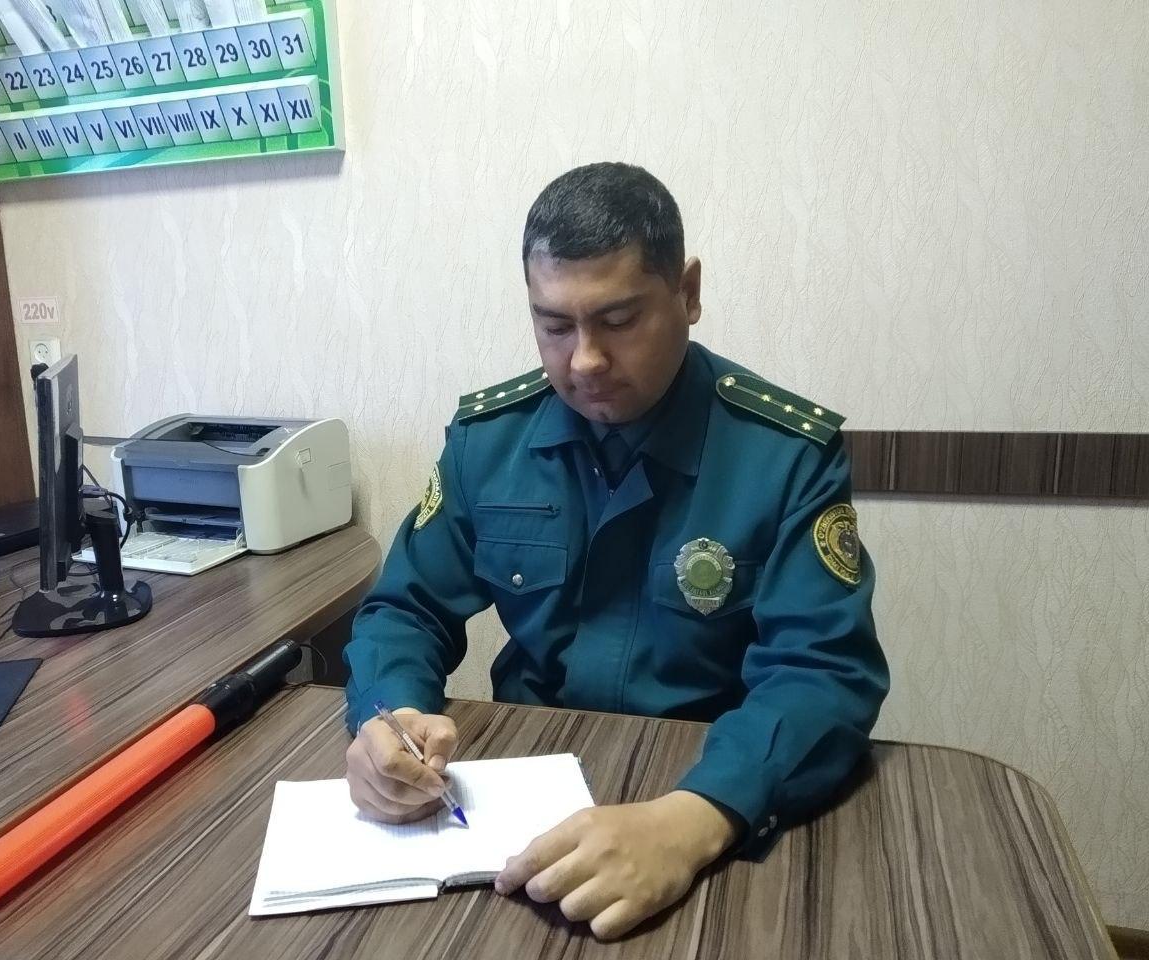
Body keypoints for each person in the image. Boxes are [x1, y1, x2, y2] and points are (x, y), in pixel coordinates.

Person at [342, 162, 889, 940]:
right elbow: (406, 608)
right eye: (554, 326)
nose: (584, 361)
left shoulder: (784, 455)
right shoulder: (488, 442)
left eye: (619, 320)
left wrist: (695, 820)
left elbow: (823, 674)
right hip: (515, 805)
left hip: (713, 796)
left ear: (687, 293)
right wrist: (391, 714)